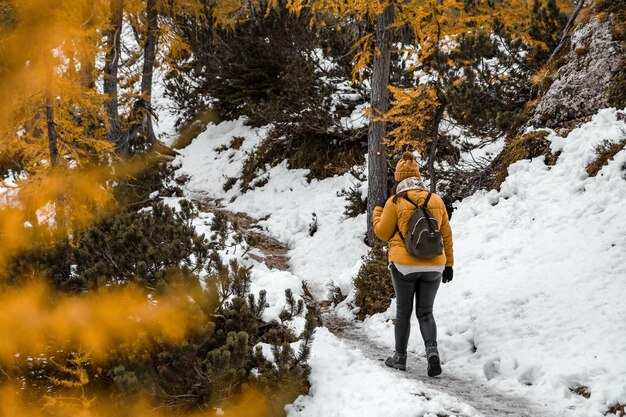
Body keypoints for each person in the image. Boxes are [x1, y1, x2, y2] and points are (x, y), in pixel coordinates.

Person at [372, 151, 454, 377]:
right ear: (418, 177)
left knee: (404, 312)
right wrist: (449, 265)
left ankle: (399, 357)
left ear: (399, 178)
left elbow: (382, 232)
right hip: (434, 265)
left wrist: (378, 212)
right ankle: (432, 354)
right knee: (426, 312)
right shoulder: (435, 199)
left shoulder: (395, 201)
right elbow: (446, 234)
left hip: (404, 266)